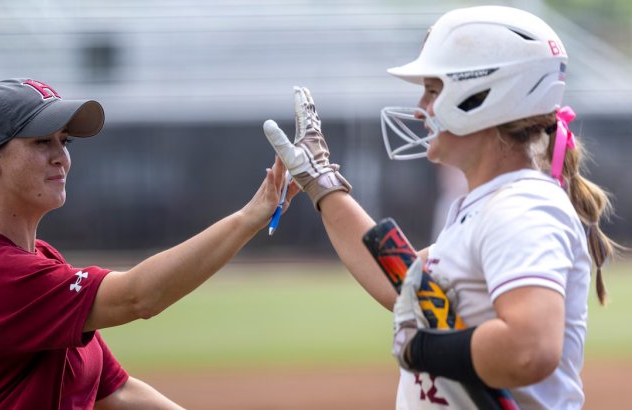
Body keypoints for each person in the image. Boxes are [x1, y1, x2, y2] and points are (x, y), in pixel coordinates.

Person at [263, 6, 616, 409]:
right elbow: (401, 283)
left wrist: (423, 350)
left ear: (484, 97)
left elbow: (529, 349)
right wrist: (319, 179)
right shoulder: (489, 206)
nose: (420, 107)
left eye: (433, 90)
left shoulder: (521, 209)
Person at [0, 78, 299, 409]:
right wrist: (253, 214)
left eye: (64, 141)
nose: (61, 158)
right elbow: (139, 296)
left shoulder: (42, 259)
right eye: (42, 142)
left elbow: (115, 391)